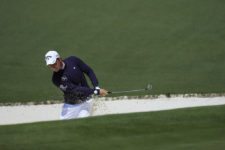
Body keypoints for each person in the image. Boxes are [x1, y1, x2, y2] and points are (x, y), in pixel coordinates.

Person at [45, 50, 108, 119]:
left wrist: (97, 86)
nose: (53, 67)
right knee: (64, 127)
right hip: (70, 106)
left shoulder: (73, 60)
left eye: (54, 64)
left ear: (59, 59)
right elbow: (75, 89)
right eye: (50, 66)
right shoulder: (56, 79)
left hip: (87, 101)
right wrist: (96, 91)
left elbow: (88, 71)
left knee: (83, 122)